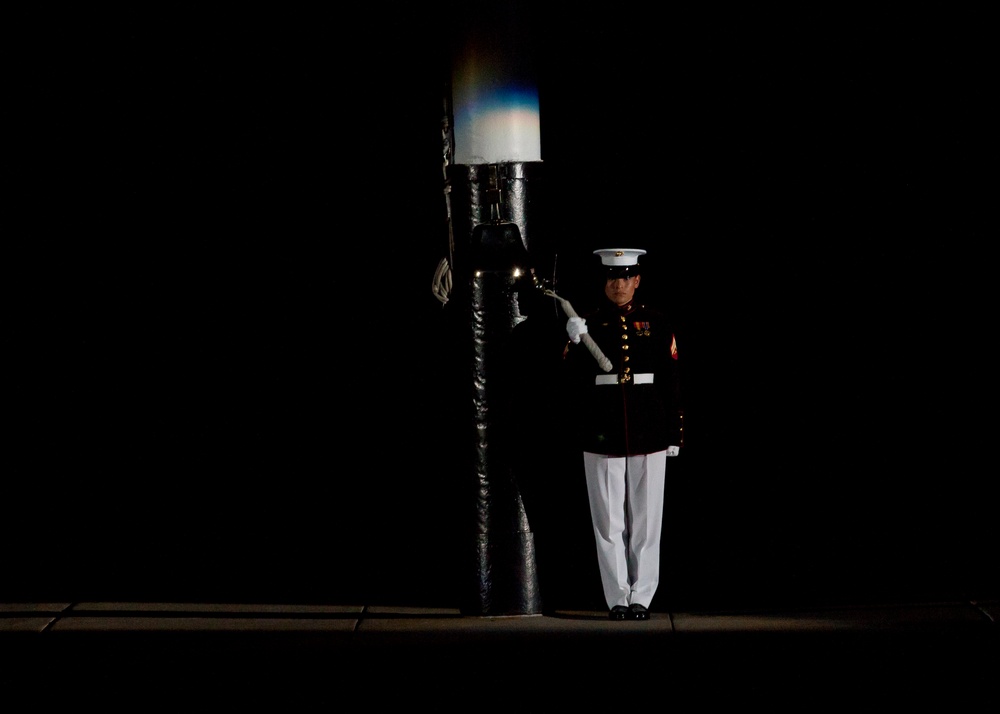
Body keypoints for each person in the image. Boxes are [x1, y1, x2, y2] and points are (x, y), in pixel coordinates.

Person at [561, 248, 684, 621]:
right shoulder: (590, 323)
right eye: (612, 278)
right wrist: (573, 343)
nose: (617, 285)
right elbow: (569, 382)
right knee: (609, 520)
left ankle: (642, 597)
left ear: (637, 280)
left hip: (649, 426)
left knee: (647, 520)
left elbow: (672, 379)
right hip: (603, 429)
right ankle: (617, 595)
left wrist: (675, 432)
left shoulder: (657, 322)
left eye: (624, 277)